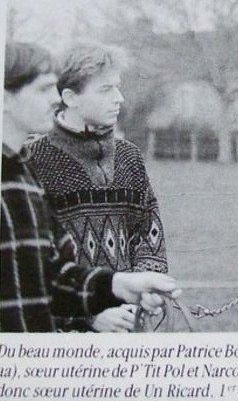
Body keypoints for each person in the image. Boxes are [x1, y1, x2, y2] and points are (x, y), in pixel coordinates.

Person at [1, 42, 179, 332]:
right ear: (70, 98)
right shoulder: (32, 161)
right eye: (106, 90)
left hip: (129, 322)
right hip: (61, 338)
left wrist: (137, 297)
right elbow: (29, 275)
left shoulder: (130, 157)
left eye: (117, 87)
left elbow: (149, 234)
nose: (119, 98)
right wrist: (90, 316)